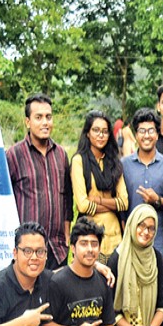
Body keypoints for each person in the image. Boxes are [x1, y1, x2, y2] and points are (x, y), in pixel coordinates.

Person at [6, 93, 72, 269]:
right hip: (28, 251)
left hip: (57, 249)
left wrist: (66, 233)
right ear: (27, 122)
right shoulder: (14, 155)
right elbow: (6, 201)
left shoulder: (61, 155)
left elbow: (67, 198)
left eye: (48, 117)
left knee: (56, 296)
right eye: (39, 117)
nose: (45, 122)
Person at [70, 111, 129, 261]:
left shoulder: (115, 162)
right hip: (89, 236)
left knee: (114, 282)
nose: (101, 135)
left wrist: (99, 201)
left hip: (115, 238)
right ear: (88, 133)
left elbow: (124, 203)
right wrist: (113, 204)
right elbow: (82, 206)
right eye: (96, 130)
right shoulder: (79, 161)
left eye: (104, 131)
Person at [121, 108, 163, 256]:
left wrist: (157, 200)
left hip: (160, 248)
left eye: (151, 131)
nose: (146, 135)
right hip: (131, 246)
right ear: (136, 135)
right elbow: (120, 209)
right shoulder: (123, 165)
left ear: (158, 135)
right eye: (142, 131)